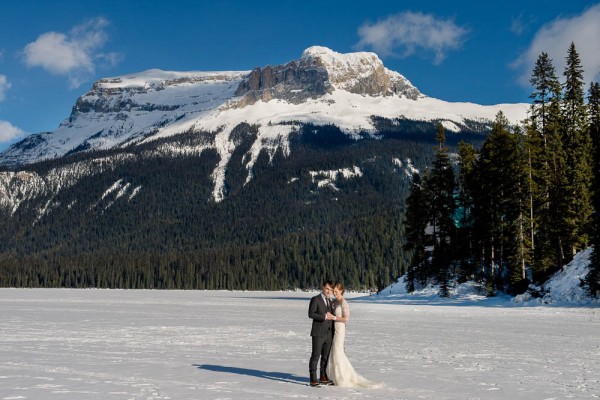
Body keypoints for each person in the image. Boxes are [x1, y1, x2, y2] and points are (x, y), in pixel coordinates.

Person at [326, 282, 381, 388]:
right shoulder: (334, 302)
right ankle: (335, 376)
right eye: (333, 292)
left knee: (338, 351)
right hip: (333, 329)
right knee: (334, 351)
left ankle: (342, 377)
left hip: (340, 329)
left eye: (336, 292)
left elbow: (346, 318)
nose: (334, 293)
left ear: (341, 291)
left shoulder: (343, 303)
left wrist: (334, 318)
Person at [308, 280, 336, 387]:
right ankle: (313, 379)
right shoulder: (315, 299)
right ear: (323, 287)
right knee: (315, 356)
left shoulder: (331, 301)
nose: (329, 291)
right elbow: (311, 314)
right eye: (327, 288)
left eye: (331, 290)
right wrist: (324, 316)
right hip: (318, 333)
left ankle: (323, 377)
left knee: (325, 357)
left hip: (329, 334)